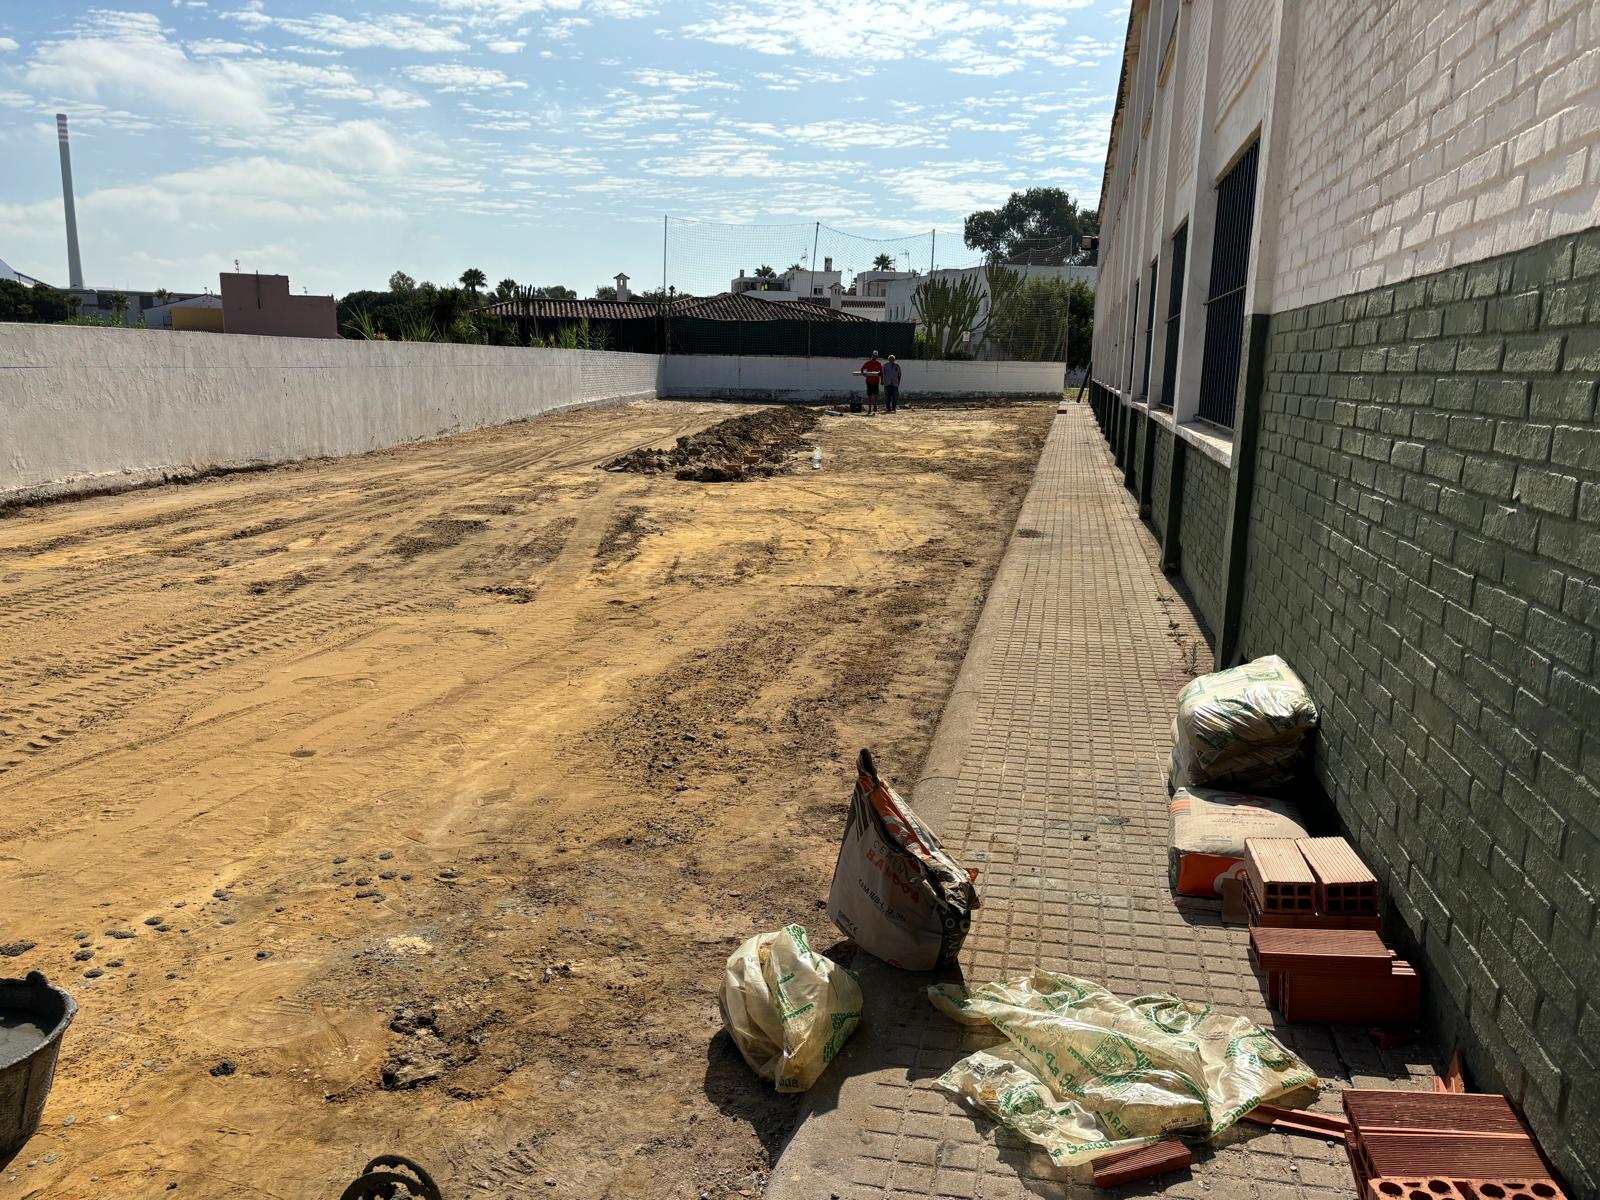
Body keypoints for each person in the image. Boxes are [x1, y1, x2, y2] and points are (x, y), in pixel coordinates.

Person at [857, 351, 883, 415]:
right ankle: (869, 409)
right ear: (872, 356)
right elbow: (862, 369)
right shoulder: (868, 363)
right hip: (869, 382)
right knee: (870, 396)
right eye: (874, 356)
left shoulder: (878, 364)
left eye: (876, 356)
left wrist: (882, 380)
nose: (875, 357)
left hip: (876, 381)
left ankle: (875, 405)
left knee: (876, 394)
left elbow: (881, 373)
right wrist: (864, 374)